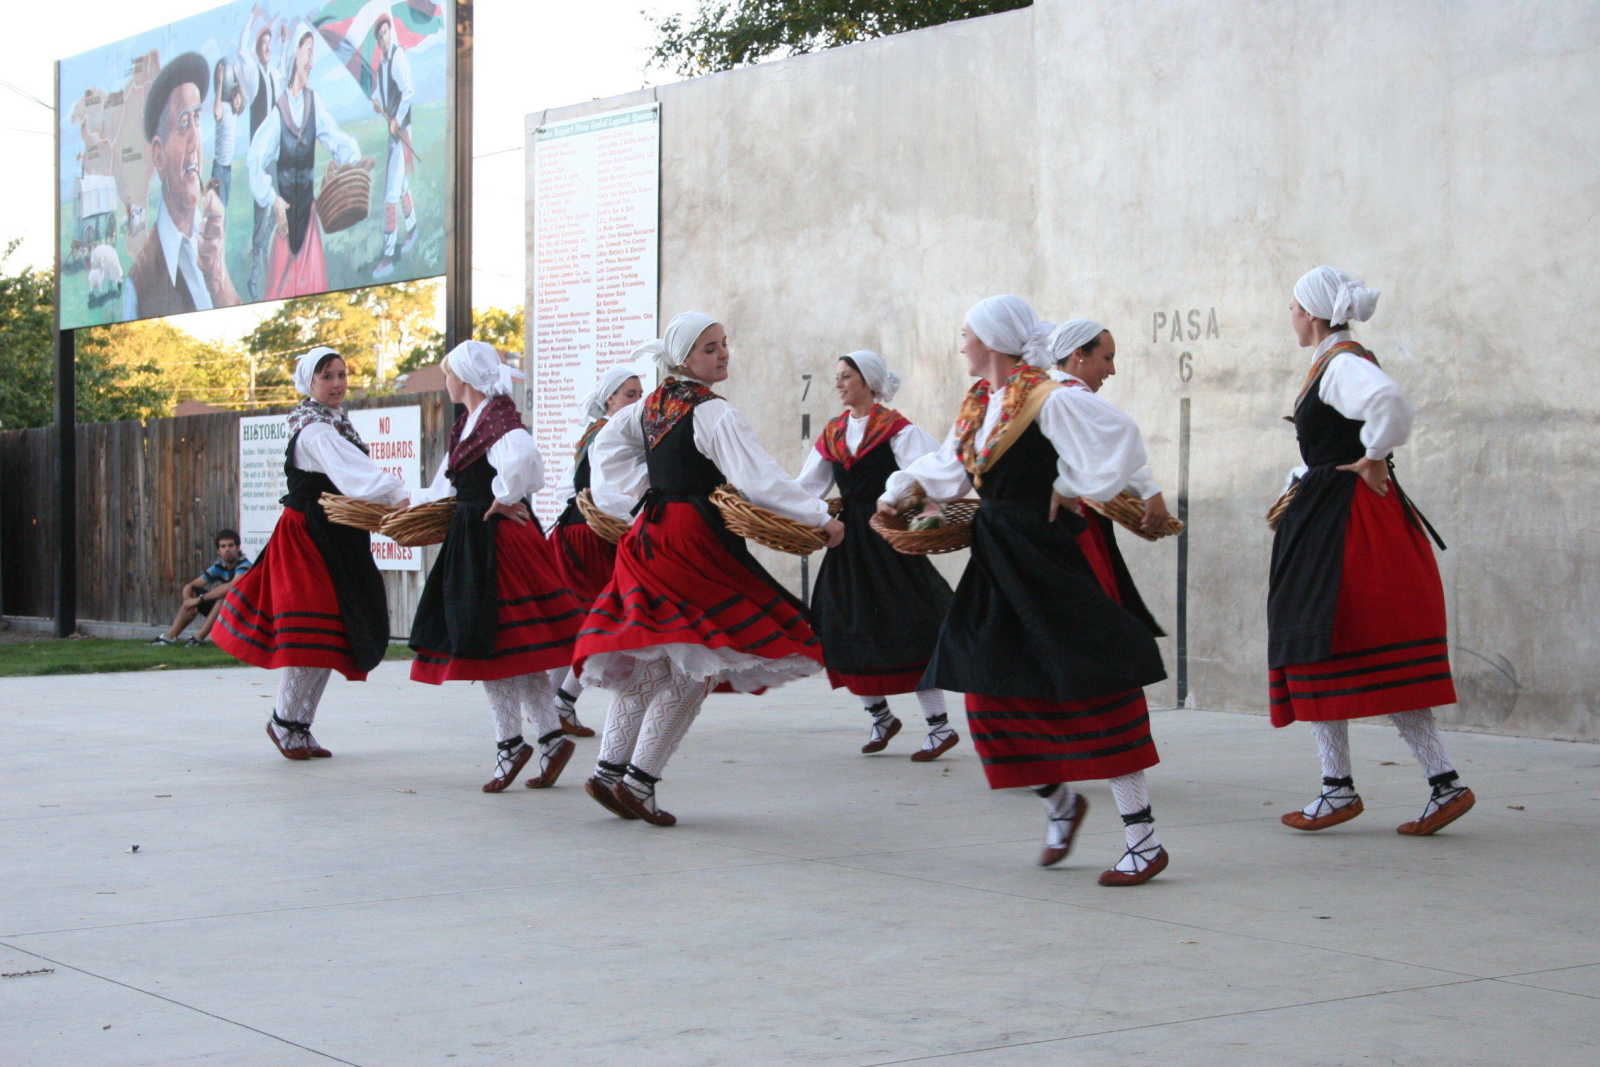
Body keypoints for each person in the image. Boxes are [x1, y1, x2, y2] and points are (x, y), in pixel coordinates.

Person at [876, 295, 1171, 885]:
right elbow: (947, 466)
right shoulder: (982, 401)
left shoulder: (1046, 395)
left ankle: (1143, 839)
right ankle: (1060, 802)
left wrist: (1070, 482)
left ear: (991, 339)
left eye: (967, 333)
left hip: (1045, 554)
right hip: (996, 555)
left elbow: (1120, 436)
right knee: (986, 684)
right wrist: (897, 494)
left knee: (1094, 682)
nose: (961, 343)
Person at [573, 312, 845, 825]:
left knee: (657, 660)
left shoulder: (650, 406)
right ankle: (638, 782)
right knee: (696, 665)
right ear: (683, 358)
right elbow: (760, 480)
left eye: (723, 344)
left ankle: (610, 772)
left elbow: (604, 449)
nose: (722, 355)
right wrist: (818, 518)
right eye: (709, 348)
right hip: (694, 540)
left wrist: (633, 499)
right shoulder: (713, 412)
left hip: (649, 536)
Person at [1270, 266, 1473, 835]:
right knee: (1345, 647)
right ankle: (1434, 783)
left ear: (1312, 314)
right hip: (1333, 514)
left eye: (1293, 307)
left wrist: (1374, 454)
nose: (1290, 316)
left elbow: (1388, 402)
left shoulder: (1341, 364)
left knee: (1318, 640)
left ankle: (1345, 789)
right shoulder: (1331, 362)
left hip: (1342, 525)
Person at [213, 347, 409, 759]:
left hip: (334, 535)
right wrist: (401, 497)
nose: (338, 383)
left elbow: (354, 478)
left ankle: (297, 725)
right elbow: (356, 477)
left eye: (342, 374)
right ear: (309, 382)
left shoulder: (334, 424)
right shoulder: (317, 430)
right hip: (309, 538)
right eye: (327, 376)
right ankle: (284, 722)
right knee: (311, 634)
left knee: (330, 634)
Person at [407, 342, 584, 792]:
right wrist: (402, 503)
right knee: (514, 650)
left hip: (494, 545)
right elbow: (445, 487)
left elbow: (525, 461)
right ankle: (549, 738)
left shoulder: (498, 420)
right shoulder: (470, 423)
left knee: (488, 643)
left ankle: (512, 743)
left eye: (448, 374)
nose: (445, 382)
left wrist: (504, 496)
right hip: (477, 539)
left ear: (464, 378)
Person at [795, 350, 958, 760]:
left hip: (888, 538)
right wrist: (773, 504)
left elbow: (928, 474)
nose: (838, 383)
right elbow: (807, 486)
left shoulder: (896, 429)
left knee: (911, 623)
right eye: (838, 376)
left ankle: (939, 726)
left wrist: (911, 512)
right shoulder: (833, 433)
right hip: (848, 541)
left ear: (867, 381)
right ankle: (881, 717)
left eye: (846, 376)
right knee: (840, 624)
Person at [1047, 319, 1170, 625]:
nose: (1112, 370)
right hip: (1074, 519)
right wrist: (1150, 491)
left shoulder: (1043, 392)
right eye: (1107, 358)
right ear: (1079, 354)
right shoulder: (1069, 397)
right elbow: (1118, 439)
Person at [546, 365, 644, 737]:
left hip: (575, 531)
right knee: (605, 619)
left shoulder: (594, 432)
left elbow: (569, 489)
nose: (636, 401)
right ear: (609, 399)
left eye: (639, 395)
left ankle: (554, 707)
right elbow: (614, 493)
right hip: (591, 536)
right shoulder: (612, 434)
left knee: (580, 623)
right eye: (630, 395)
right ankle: (561, 703)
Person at [245, 29, 370, 300]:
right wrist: (273, 201)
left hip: (309, 217)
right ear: (294, 54)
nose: (311, 62)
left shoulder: (314, 104)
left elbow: (336, 138)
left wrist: (353, 162)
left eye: (313, 54)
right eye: (308, 52)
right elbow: (255, 159)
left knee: (314, 290)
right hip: (286, 223)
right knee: (283, 292)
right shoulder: (278, 113)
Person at [124, 52, 238, 320]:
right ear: (158, 154)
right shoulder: (138, 285)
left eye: (197, 119)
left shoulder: (214, 239)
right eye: (184, 123)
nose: (195, 141)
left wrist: (218, 279)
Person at [368, 14, 418, 280]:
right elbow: (380, 95)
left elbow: (409, 91)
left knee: (390, 194)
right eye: (379, 36)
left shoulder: (398, 57)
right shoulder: (382, 66)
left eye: (385, 33)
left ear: (391, 33)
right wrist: (376, 102)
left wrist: (397, 119)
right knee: (401, 187)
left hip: (402, 131)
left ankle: (387, 256)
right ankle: (413, 229)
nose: (383, 39)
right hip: (393, 131)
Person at [151, 529, 253, 646]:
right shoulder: (219, 566)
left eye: (231, 545)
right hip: (228, 613)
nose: (227, 549)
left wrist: (199, 600)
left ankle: (198, 638)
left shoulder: (245, 566)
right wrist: (187, 601)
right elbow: (190, 585)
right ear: (218, 551)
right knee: (193, 591)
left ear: (238, 548)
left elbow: (231, 587)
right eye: (223, 546)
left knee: (224, 597)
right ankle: (170, 637)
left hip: (246, 616)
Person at [210, 59, 245, 208]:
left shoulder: (234, 112)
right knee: (219, 209)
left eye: (239, 99)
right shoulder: (224, 107)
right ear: (231, 96)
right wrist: (220, 83)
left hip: (227, 169)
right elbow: (216, 112)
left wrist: (237, 78)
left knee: (223, 207)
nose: (238, 101)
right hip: (219, 168)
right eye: (236, 98)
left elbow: (241, 93)